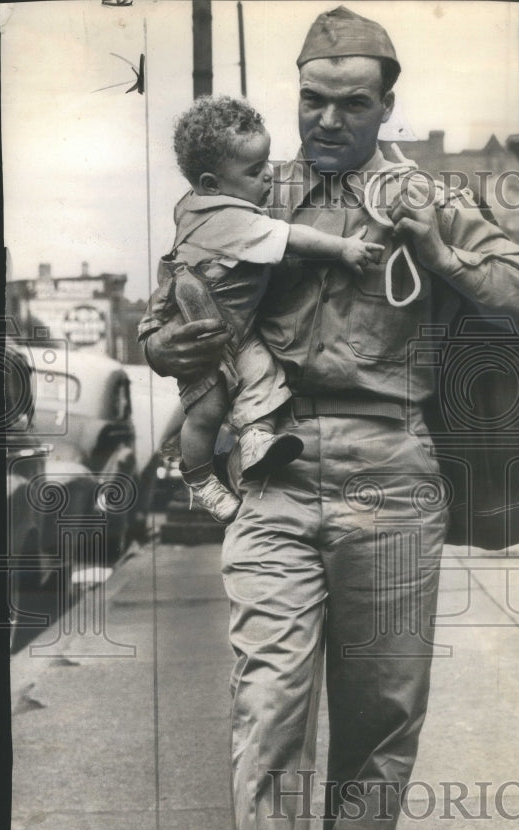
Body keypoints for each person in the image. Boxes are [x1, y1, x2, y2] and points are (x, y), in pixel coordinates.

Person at [142, 8, 519, 830]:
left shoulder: (424, 196)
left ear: (385, 105)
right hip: (275, 471)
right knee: (267, 705)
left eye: (351, 104)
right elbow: (172, 306)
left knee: (381, 711)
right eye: (312, 101)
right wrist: (165, 340)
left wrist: (443, 249)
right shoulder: (252, 192)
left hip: (391, 469)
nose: (327, 120)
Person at [139, 94, 384, 522]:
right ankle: (198, 478)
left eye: (267, 163)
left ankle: (254, 439)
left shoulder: (196, 205)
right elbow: (291, 237)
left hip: (237, 327)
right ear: (213, 184)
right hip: (206, 330)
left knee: (263, 377)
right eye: (255, 171)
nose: (268, 176)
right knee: (208, 410)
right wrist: (344, 248)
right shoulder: (233, 218)